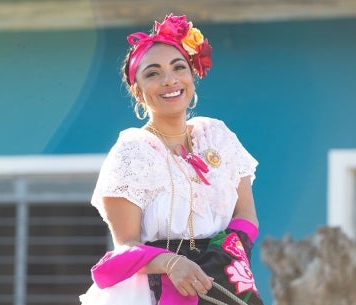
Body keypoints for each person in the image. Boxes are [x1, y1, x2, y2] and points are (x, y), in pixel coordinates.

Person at [80, 13, 263, 305]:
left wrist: (224, 260)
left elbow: (246, 216)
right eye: (153, 73)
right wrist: (172, 263)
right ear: (138, 92)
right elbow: (125, 245)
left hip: (223, 281)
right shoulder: (132, 152)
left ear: (192, 77)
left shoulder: (217, 136)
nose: (169, 80)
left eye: (179, 68)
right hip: (156, 288)